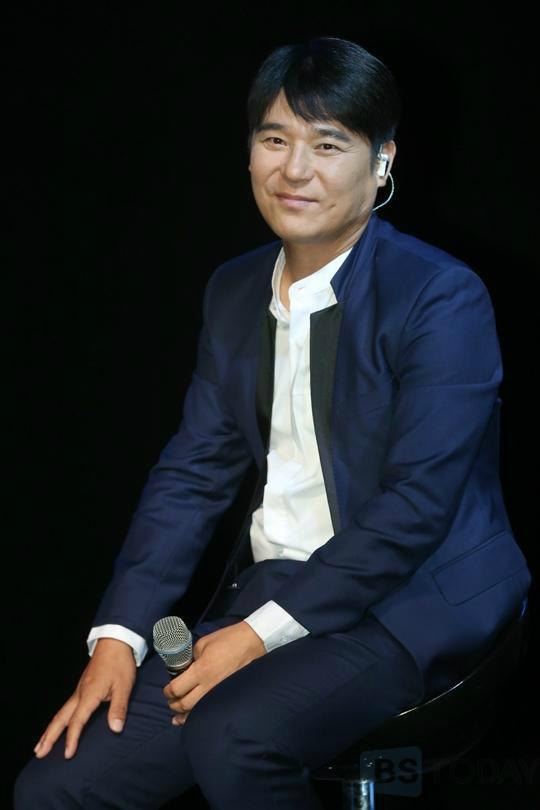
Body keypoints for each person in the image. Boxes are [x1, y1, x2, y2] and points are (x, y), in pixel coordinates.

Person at [15, 35, 531, 810]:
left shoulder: (440, 296)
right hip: (270, 592)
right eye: (275, 139)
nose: (294, 169)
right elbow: (191, 477)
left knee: (235, 734)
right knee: (57, 784)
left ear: (382, 162)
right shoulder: (233, 291)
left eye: (328, 144)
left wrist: (256, 636)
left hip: (414, 601)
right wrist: (119, 635)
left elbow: (417, 505)